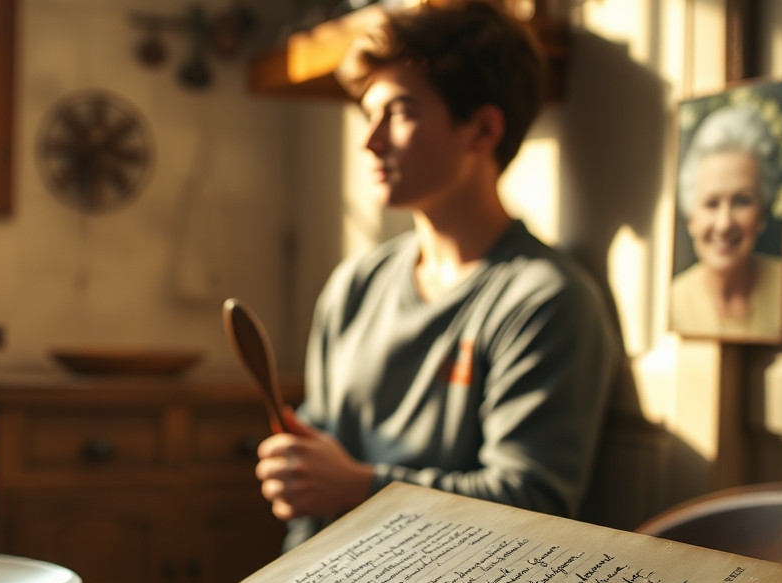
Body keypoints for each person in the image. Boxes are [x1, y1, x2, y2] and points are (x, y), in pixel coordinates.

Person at [256, 0, 618, 550]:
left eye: (399, 112)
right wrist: (297, 473)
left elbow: (534, 503)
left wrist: (360, 487)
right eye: (368, 114)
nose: (370, 141)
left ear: (483, 129)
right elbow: (318, 469)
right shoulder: (355, 285)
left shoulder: (546, 301)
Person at [670, 103, 782, 340]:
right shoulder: (672, 302)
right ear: (691, 217)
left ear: (762, 213)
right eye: (711, 204)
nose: (724, 224)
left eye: (742, 201)